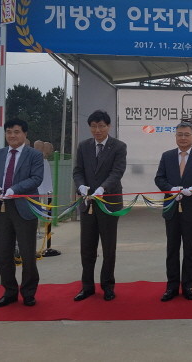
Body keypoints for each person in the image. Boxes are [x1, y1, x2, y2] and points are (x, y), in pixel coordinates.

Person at [0, 118, 44, 307]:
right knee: (3, 255)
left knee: (27, 254)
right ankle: (9, 292)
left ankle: (28, 292)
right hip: (1, 208)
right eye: (8, 132)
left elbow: (36, 178)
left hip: (24, 207)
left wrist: (14, 189)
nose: (12, 135)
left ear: (25, 134)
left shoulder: (34, 155)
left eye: (16, 132)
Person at [72, 110, 127, 302]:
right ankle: (87, 286)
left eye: (101, 126)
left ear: (108, 126)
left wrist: (103, 188)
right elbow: (78, 171)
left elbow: (117, 172)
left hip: (109, 203)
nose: (97, 130)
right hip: (87, 203)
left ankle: (108, 286)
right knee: (87, 247)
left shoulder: (118, 146)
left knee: (108, 247)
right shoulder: (83, 146)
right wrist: (81, 186)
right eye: (94, 126)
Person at [154, 122, 192, 301]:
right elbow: (159, 178)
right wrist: (170, 189)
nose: (183, 138)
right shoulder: (167, 156)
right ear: (175, 136)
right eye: (180, 134)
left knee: (189, 249)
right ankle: (171, 287)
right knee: (172, 249)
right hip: (171, 208)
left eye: (187, 134)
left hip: (191, 209)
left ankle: (188, 286)